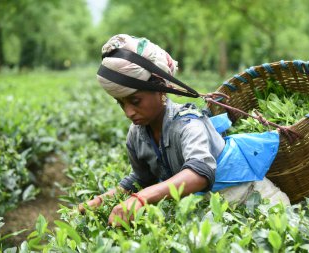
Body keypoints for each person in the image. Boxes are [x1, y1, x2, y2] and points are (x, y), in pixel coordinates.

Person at [78, 34, 290, 226]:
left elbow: (199, 173)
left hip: (258, 204)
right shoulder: (137, 135)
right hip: (216, 216)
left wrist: (142, 198)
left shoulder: (189, 123)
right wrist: (98, 201)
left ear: (161, 90)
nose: (129, 112)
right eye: (121, 104)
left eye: (135, 101)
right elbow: (142, 179)